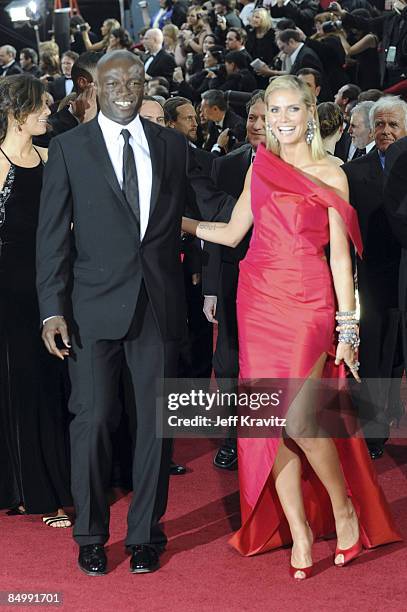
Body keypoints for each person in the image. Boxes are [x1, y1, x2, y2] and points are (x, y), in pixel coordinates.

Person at [182, 75, 400, 578]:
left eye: (290, 110)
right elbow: (235, 231)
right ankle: (299, 532)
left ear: (310, 113)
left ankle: (344, 511)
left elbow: (342, 260)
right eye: (272, 111)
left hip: (308, 302)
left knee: (301, 419)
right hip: (256, 300)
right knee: (267, 426)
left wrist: (349, 331)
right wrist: (179, 222)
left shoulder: (333, 174)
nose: (281, 121)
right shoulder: (259, 166)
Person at [36, 50, 209, 577]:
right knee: (92, 420)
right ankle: (90, 535)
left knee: (155, 425)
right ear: (93, 88)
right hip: (89, 310)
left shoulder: (173, 146)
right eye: (113, 81)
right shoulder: (68, 149)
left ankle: (145, 536)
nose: (124, 89)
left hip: (158, 308)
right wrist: (51, 310)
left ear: (144, 85)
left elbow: (203, 210)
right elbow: (51, 241)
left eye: (134, 80)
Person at [0, 75, 72, 528]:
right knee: (19, 384)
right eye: (41, 106)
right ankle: (35, 492)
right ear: (16, 112)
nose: (49, 112)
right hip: (7, 292)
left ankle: (45, 482)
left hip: (51, 288)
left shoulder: (51, 157)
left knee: (52, 384)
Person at [202, 90, 266, 470]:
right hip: (230, 276)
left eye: (263, 117)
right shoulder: (228, 165)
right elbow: (218, 229)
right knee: (227, 362)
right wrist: (210, 287)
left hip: (277, 280)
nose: (256, 125)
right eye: (252, 118)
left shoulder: (302, 165)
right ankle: (231, 438)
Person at [343, 96, 407, 460]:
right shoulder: (354, 173)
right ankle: (373, 430)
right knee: (375, 354)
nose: (384, 132)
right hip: (375, 277)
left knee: (397, 354)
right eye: (379, 125)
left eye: (392, 125)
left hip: (405, 270)